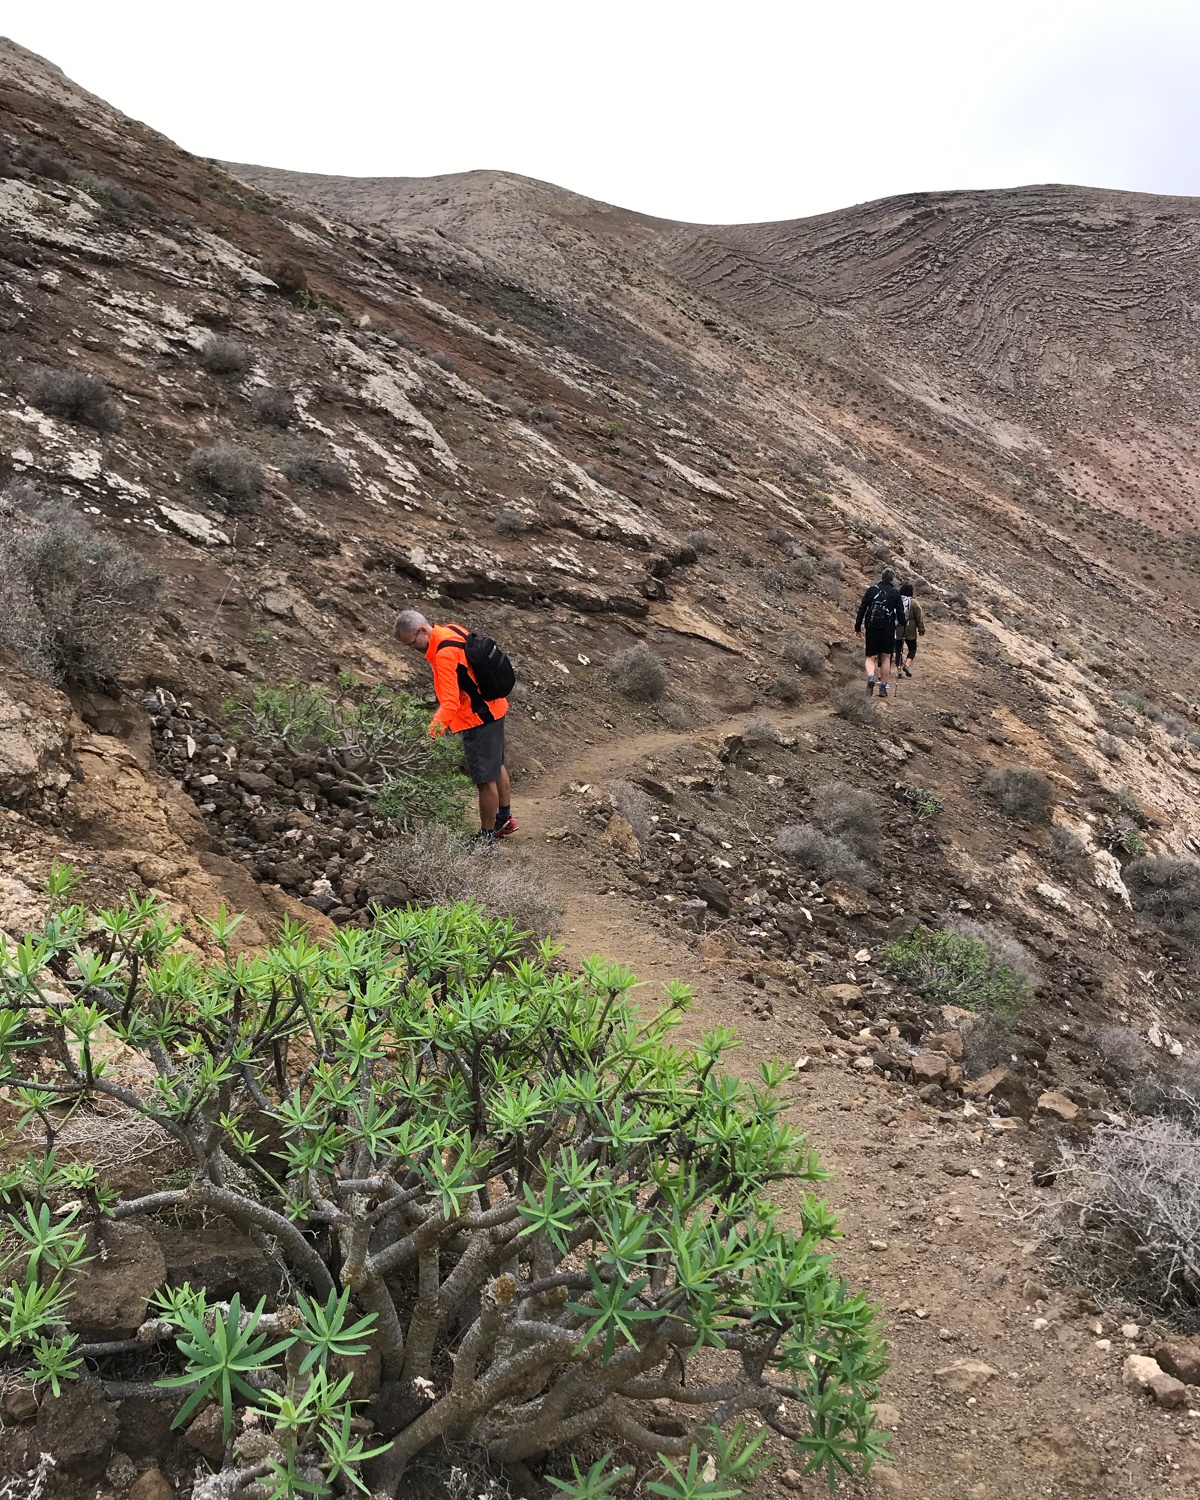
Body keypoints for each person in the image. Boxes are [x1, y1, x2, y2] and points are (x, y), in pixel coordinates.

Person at [393, 609, 516, 845]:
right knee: (496, 765)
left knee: (484, 779)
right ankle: (504, 818)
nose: (412, 649)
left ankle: (486, 837)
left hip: (478, 718)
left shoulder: (444, 655)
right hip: (495, 707)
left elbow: (450, 702)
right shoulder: (452, 629)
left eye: (412, 644)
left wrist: (432, 733)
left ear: (422, 630)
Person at [854, 567, 904, 698]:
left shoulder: (871, 590)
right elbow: (900, 614)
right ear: (892, 578)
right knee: (886, 658)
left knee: (870, 657)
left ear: (882, 577)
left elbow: (862, 609)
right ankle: (882, 688)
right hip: (888, 629)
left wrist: (857, 627)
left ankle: (871, 677)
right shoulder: (895, 592)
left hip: (872, 627)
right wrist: (903, 623)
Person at [893, 582, 926, 677]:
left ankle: (899, 670)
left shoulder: (896, 601)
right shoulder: (914, 603)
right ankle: (907, 665)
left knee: (898, 649)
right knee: (912, 648)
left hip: (898, 627)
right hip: (910, 628)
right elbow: (919, 617)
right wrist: (921, 629)